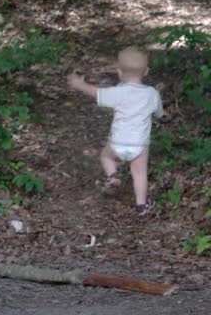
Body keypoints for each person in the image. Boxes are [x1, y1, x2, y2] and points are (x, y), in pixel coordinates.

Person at [67, 46, 163, 215]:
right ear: (146, 71)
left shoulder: (118, 92)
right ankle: (141, 206)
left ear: (119, 72)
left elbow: (96, 93)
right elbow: (159, 113)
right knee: (140, 173)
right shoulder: (152, 94)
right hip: (140, 145)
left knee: (105, 156)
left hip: (117, 142)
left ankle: (113, 176)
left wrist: (79, 84)